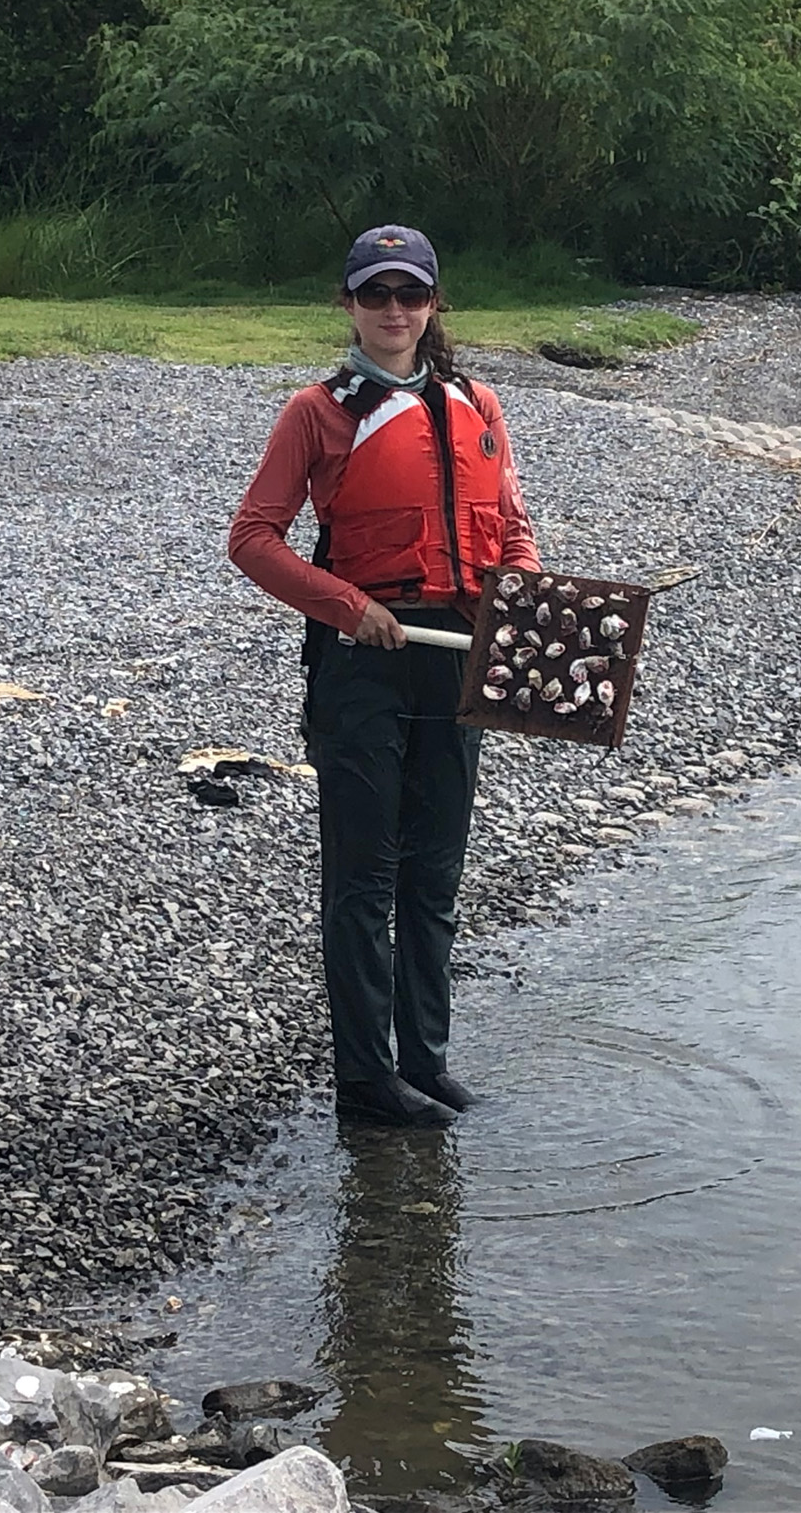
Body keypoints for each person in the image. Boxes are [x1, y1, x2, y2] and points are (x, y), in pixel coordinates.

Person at [228, 225, 540, 1127]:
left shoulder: (478, 405)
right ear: (350, 305)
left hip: (457, 662)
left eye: (411, 295)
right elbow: (253, 539)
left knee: (435, 870)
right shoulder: (317, 411)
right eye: (376, 295)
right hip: (362, 658)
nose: (394, 311)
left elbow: (512, 529)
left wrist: (514, 600)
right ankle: (366, 1080)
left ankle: (425, 1063)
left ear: (434, 304)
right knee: (365, 877)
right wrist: (343, 606)